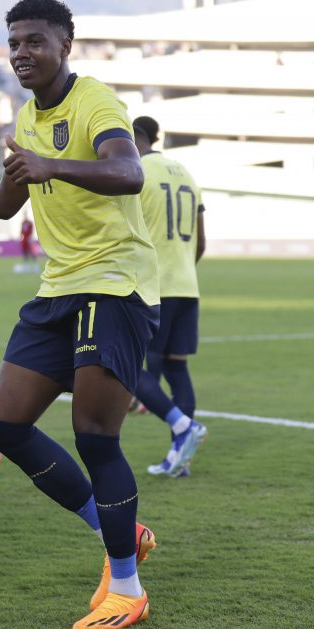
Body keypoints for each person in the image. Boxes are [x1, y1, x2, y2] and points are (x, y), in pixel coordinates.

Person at [0, 0, 159, 629]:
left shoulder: (94, 101)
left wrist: (53, 166)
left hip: (113, 284)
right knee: (10, 427)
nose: (22, 52)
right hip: (58, 289)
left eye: (34, 41)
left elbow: (128, 171)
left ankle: (126, 588)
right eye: (14, 42)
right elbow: (2, 202)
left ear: (65, 44)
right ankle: (119, 531)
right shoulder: (24, 116)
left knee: (95, 436)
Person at [130, 116, 207, 477]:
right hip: (187, 285)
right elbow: (201, 241)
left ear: (135, 138)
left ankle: (183, 427)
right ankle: (181, 459)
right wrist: (183, 270)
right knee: (177, 368)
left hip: (153, 287)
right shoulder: (186, 173)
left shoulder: (138, 171)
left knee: (130, 369)